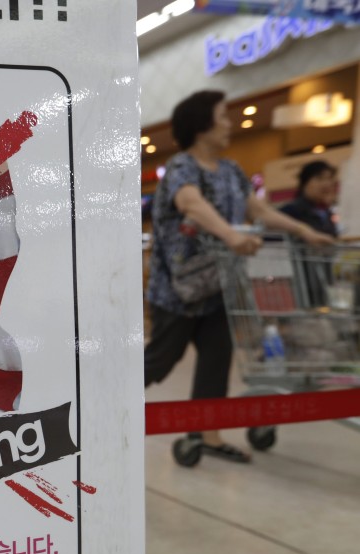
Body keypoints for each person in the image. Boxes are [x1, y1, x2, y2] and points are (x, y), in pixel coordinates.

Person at [144, 90, 335, 464]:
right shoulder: (182, 167)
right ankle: (99, 411)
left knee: (217, 361)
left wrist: (302, 230)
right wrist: (231, 235)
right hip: (179, 290)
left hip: (220, 287)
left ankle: (207, 436)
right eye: (223, 117)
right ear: (202, 125)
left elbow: (258, 209)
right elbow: (190, 203)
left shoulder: (231, 170)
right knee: (161, 361)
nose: (229, 124)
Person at [279, 160, 338, 238]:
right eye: (320, 178)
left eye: (329, 178)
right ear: (305, 183)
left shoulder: (327, 212)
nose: (327, 184)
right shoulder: (290, 211)